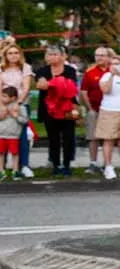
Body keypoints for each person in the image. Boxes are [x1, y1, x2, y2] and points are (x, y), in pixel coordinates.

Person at [35, 45, 81, 176]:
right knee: (53, 138)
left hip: (67, 108)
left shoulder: (70, 70)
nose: (52, 57)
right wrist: (57, 84)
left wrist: (50, 84)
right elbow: (40, 85)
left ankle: (67, 165)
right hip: (49, 110)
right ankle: (56, 165)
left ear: (62, 56)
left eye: (55, 54)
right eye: (49, 54)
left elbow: (70, 87)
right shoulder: (41, 70)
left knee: (68, 137)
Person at [0, 42, 34, 178]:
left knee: (22, 136)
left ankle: (23, 165)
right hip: (4, 103)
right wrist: (1, 104)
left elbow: (26, 87)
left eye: (16, 53)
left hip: (21, 103)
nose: (13, 56)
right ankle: (2, 168)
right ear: (5, 55)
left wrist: (18, 103)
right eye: (10, 53)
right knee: (2, 135)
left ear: (20, 55)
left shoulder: (25, 68)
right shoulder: (1, 69)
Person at [82, 46, 111, 175]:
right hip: (94, 109)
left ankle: (107, 163)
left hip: (110, 111)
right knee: (93, 137)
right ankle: (93, 163)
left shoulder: (113, 71)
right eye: (97, 55)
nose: (99, 57)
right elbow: (83, 92)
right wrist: (90, 109)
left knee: (108, 138)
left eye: (102, 55)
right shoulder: (90, 73)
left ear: (108, 57)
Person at [0, 85, 25, 180]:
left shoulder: (19, 107)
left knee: (14, 153)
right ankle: (1, 171)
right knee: (1, 153)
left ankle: (15, 171)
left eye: (5, 96)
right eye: (2, 96)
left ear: (13, 98)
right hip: (1, 135)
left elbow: (25, 120)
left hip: (13, 136)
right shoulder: (1, 107)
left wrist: (16, 116)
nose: (2, 98)